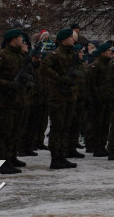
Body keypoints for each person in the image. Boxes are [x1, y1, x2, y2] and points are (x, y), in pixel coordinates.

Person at [0, 29, 28, 174]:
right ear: (12, 40)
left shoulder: (21, 55)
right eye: (19, 37)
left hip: (18, 99)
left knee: (15, 131)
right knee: (2, 133)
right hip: (4, 100)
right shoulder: (2, 55)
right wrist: (6, 84)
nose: (21, 39)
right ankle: (0, 162)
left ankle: (10, 157)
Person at [41, 27, 81, 169]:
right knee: (57, 127)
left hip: (69, 96)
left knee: (66, 127)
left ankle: (62, 156)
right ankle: (55, 158)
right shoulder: (55, 54)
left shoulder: (72, 54)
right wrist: (60, 79)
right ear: (64, 39)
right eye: (71, 37)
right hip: (58, 96)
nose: (73, 39)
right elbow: (44, 68)